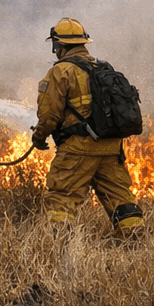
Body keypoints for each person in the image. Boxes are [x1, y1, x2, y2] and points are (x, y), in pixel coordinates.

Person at [31, 18, 145, 233]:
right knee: (120, 197)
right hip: (111, 148)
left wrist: (38, 137)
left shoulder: (61, 71)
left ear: (58, 45)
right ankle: (135, 238)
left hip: (78, 149)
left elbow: (49, 116)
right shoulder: (103, 68)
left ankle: (59, 245)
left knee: (61, 197)